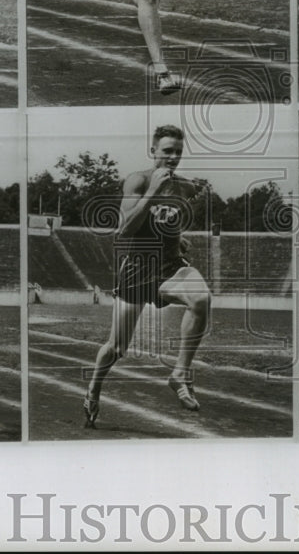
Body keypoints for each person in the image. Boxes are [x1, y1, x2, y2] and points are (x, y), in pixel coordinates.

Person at [83, 125, 212, 427]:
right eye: (167, 151)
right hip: (138, 270)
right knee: (116, 349)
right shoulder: (138, 180)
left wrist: (177, 238)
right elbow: (124, 229)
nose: (173, 157)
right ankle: (93, 389)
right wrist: (153, 191)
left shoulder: (185, 187)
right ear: (153, 150)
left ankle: (179, 373)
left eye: (178, 152)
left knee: (201, 297)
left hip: (170, 266)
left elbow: (168, 221)